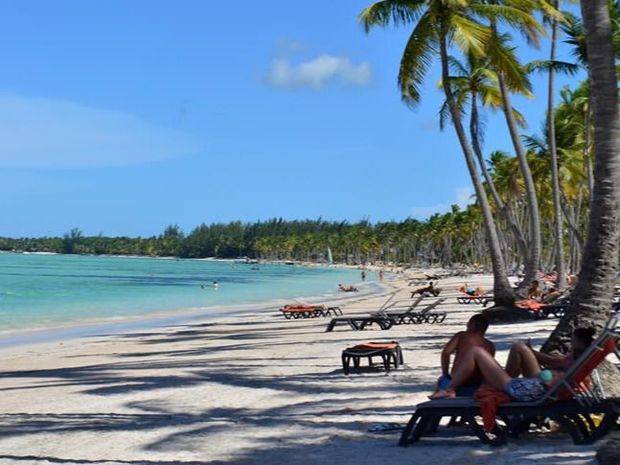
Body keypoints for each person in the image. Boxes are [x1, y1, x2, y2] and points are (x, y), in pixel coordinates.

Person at [431, 327, 596, 401]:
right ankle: (451, 389)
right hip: (534, 386)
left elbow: (550, 362)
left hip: (528, 389)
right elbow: (551, 364)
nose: (571, 341)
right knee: (518, 347)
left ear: (579, 342)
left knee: (476, 351)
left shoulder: (574, 361)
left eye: (573, 339)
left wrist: (546, 373)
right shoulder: (580, 361)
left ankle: (449, 389)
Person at [436, 315, 495, 395]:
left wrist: (445, 374)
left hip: (453, 385)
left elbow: (446, 353)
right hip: (474, 388)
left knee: (442, 380)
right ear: (485, 329)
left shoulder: (461, 336)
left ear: (470, 325)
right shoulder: (490, 346)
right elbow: (488, 370)